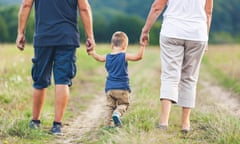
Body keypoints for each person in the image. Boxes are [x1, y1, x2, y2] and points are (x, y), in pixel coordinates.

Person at [16, 0, 95, 135]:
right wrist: (90, 36)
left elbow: (26, 5)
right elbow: (84, 8)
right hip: (67, 37)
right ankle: (57, 125)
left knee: (40, 79)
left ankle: (35, 122)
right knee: (62, 80)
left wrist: (20, 33)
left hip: (43, 36)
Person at [140, 0, 213, 133]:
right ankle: (185, 124)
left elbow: (157, 7)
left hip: (172, 31)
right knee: (190, 77)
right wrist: (206, 37)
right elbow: (208, 12)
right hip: (197, 34)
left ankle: (163, 122)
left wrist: (145, 30)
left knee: (169, 75)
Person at [88, 31, 146, 127]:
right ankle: (117, 113)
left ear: (112, 45)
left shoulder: (107, 56)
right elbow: (138, 57)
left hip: (109, 88)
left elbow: (98, 58)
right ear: (124, 46)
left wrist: (92, 52)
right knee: (124, 104)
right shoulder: (124, 56)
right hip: (122, 87)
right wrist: (142, 46)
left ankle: (108, 125)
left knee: (110, 107)